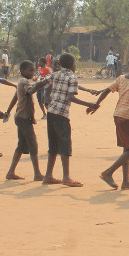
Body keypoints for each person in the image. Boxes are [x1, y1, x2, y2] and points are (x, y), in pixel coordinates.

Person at [88, 55, 129, 190]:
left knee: (127, 148)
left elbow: (106, 91)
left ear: (128, 67)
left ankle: (126, 181)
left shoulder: (121, 78)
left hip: (118, 115)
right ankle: (108, 172)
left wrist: (97, 104)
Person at [43, 53, 99, 187]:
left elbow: (43, 80)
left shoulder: (55, 74)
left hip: (51, 112)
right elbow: (71, 98)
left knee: (53, 145)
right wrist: (89, 104)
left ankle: (48, 175)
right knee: (65, 144)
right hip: (61, 115)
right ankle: (66, 177)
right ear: (72, 65)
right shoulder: (72, 77)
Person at [3, 60, 48, 181]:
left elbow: (15, 97)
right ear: (22, 71)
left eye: (34, 70)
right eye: (30, 70)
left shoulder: (21, 82)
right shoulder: (24, 82)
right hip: (22, 119)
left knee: (21, 145)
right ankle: (37, 173)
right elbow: (31, 91)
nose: (33, 72)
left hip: (22, 118)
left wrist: (8, 111)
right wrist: (40, 83)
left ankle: (11, 172)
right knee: (33, 144)